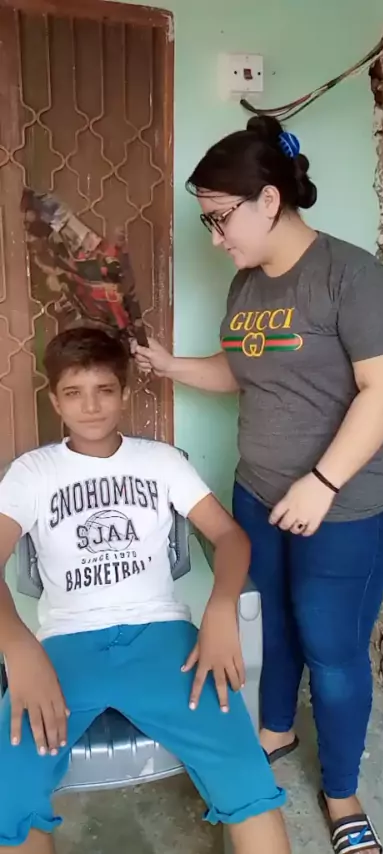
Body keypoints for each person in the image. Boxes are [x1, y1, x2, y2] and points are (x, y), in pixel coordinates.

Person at [133, 115, 383, 854]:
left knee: (333, 652)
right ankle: (276, 731)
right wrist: (170, 365)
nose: (215, 237)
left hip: (343, 510)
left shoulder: (353, 277)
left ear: (268, 200)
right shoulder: (247, 286)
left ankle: (343, 795)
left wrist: (322, 481)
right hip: (258, 493)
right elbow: (243, 370)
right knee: (274, 626)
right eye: (207, 221)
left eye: (219, 218)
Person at [0, 327, 290, 854]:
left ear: (125, 394)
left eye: (104, 390)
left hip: (164, 642)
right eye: (74, 393)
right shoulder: (31, 473)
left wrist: (220, 608)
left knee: (246, 778)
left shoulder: (160, 462)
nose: (91, 406)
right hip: (65, 648)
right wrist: (18, 648)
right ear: (54, 400)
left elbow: (229, 537)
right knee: (8, 793)